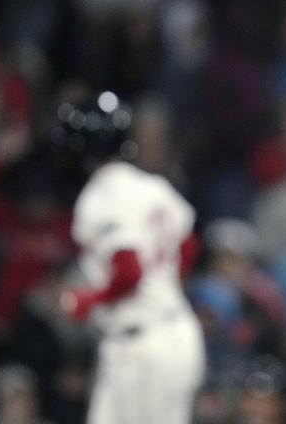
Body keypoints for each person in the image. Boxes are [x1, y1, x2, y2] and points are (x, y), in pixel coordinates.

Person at [57, 91, 205, 424]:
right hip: (172, 334)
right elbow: (189, 247)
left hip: (143, 346)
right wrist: (165, 287)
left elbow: (129, 271)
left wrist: (86, 300)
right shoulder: (154, 186)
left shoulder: (101, 195)